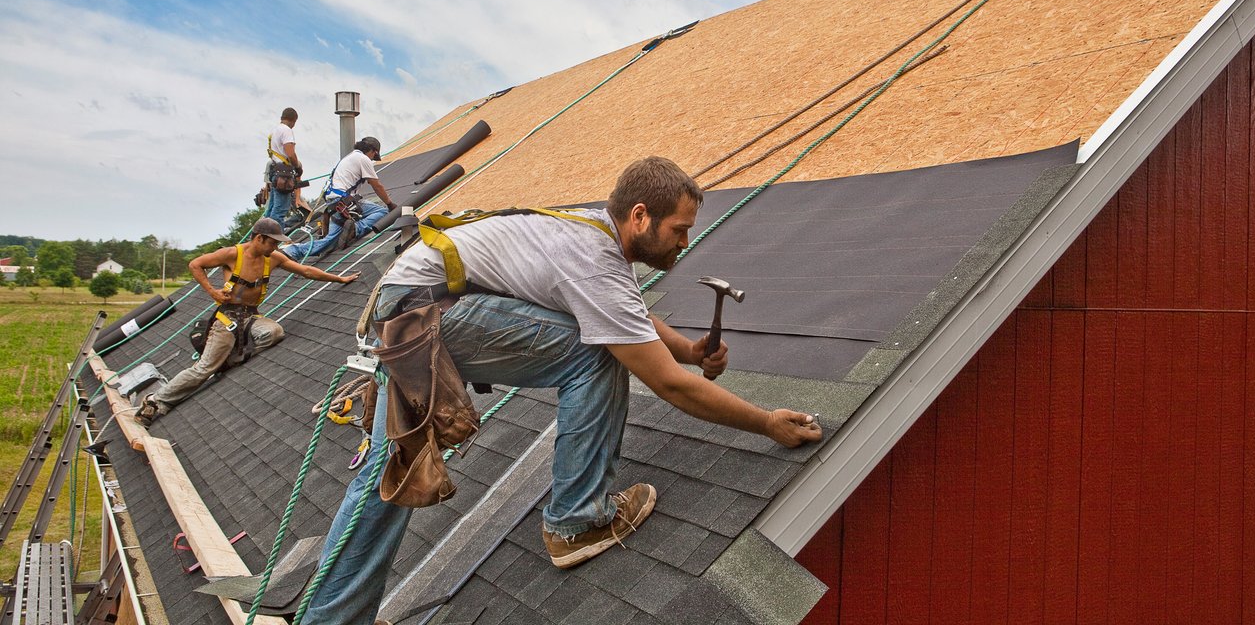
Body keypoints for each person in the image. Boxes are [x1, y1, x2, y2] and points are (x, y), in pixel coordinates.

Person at [301, 156, 821, 625]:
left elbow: (625, 313)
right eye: (679, 230)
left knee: (390, 471)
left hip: (408, 307)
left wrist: (687, 349)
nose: (684, 243)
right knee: (598, 352)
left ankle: (335, 618)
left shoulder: (592, 234)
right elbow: (669, 384)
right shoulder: (594, 261)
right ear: (640, 216)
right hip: (424, 312)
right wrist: (765, 422)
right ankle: (577, 521)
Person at [134, 218, 360, 426]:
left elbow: (306, 271)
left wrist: (340, 279)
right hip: (227, 319)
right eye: (272, 242)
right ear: (259, 238)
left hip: (251, 317)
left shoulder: (273, 258)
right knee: (204, 369)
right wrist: (212, 292)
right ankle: (155, 402)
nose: (275, 247)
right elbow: (195, 264)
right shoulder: (232, 254)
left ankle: (231, 358)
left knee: (274, 332)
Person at [282, 136, 397, 261]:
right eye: (373, 156)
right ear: (373, 151)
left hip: (335, 203)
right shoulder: (363, 159)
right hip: (344, 201)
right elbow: (377, 186)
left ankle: (293, 250)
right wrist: (390, 204)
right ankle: (356, 229)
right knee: (383, 212)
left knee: (330, 242)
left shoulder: (349, 157)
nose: (372, 159)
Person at [265, 107, 304, 226]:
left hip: (275, 171)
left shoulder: (274, 131)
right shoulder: (286, 130)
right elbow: (290, 153)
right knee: (279, 210)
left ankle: (264, 232)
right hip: (283, 175)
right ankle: (274, 236)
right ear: (294, 120)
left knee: (271, 209)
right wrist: (297, 166)